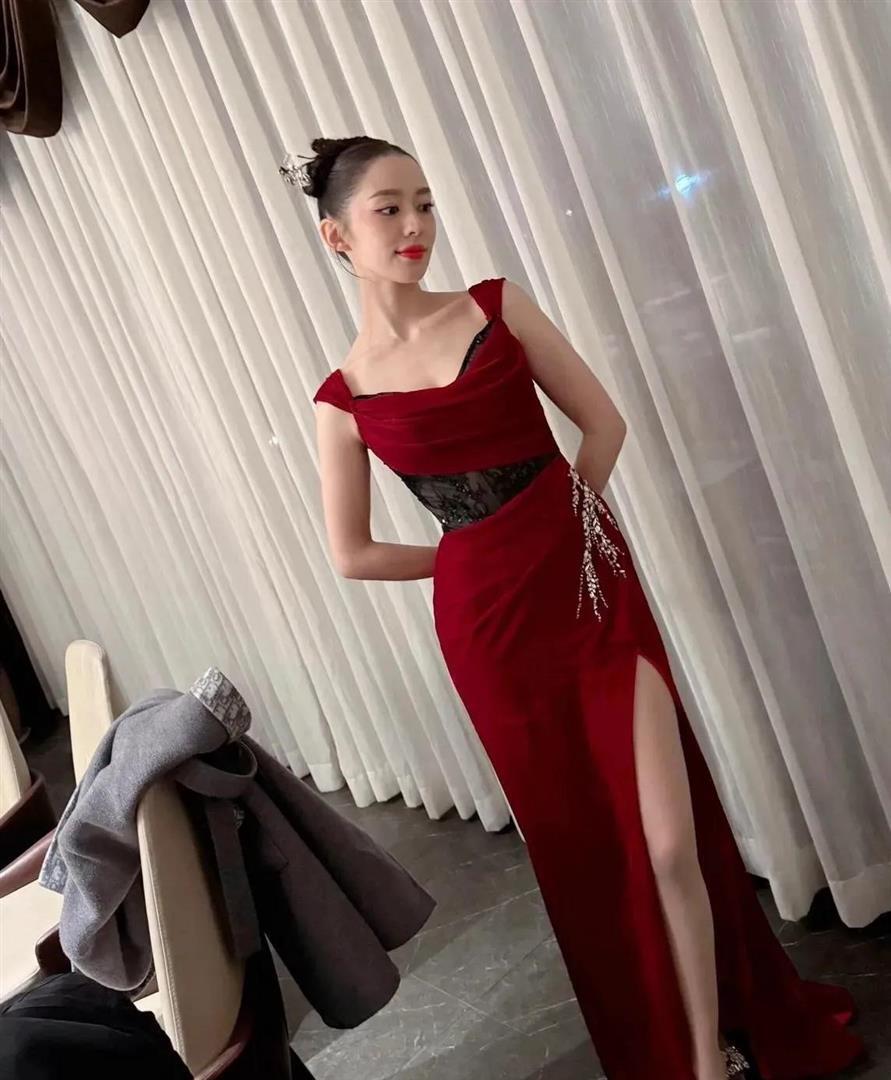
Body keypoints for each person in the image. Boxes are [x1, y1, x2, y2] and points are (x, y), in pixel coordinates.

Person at [284, 135, 865, 1080]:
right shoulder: (340, 400)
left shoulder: (496, 307)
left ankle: (707, 1047)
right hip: (488, 632)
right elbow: (350, 554)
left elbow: (602, 422)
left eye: (424, 202)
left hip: (590, 589)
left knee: (669, 843)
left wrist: (567, 527)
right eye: (389, 208)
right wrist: (469, 560)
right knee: (582, 852)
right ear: (336, 235)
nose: (416, 224)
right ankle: (691, 1058)